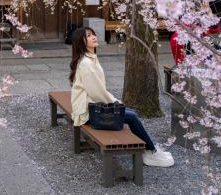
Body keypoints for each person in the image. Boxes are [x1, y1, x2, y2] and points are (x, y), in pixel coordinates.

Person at [69, 27, 174, 167]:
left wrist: (115, 102)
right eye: (88, 36)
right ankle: (151, 152)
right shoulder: (87, 64)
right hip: (87, 112)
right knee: (132, 116)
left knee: (132, 114)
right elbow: (97, 93)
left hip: (91, 105)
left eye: (93, 34)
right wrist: (116, 103)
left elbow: (98, 91)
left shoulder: (90, 58)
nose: (94, 37)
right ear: (81, 42)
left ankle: (148, 150)